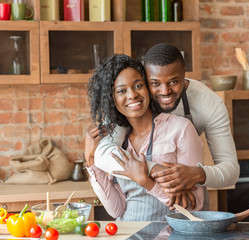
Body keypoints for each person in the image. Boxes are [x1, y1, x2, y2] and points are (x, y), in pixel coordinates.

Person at [93, 43, 240, 209]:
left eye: (173, 81)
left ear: (185, 76)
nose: (165, 91)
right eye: (155, 83)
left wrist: (198, 174)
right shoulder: (131, 105)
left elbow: (231, 171)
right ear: (144, 79)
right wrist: (155, 171)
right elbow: (104, 153)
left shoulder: (209, 104)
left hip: (187, 204)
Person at [85, 54, 206, 221]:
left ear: (148, 87)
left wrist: (147, 182)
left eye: (138, 85)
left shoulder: (180, 129)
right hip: (129, 233)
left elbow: (194, 206)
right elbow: (117, 210)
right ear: (111, 99)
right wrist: (92, 162)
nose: (132, 95)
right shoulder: (117, 141)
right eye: (121, 91)